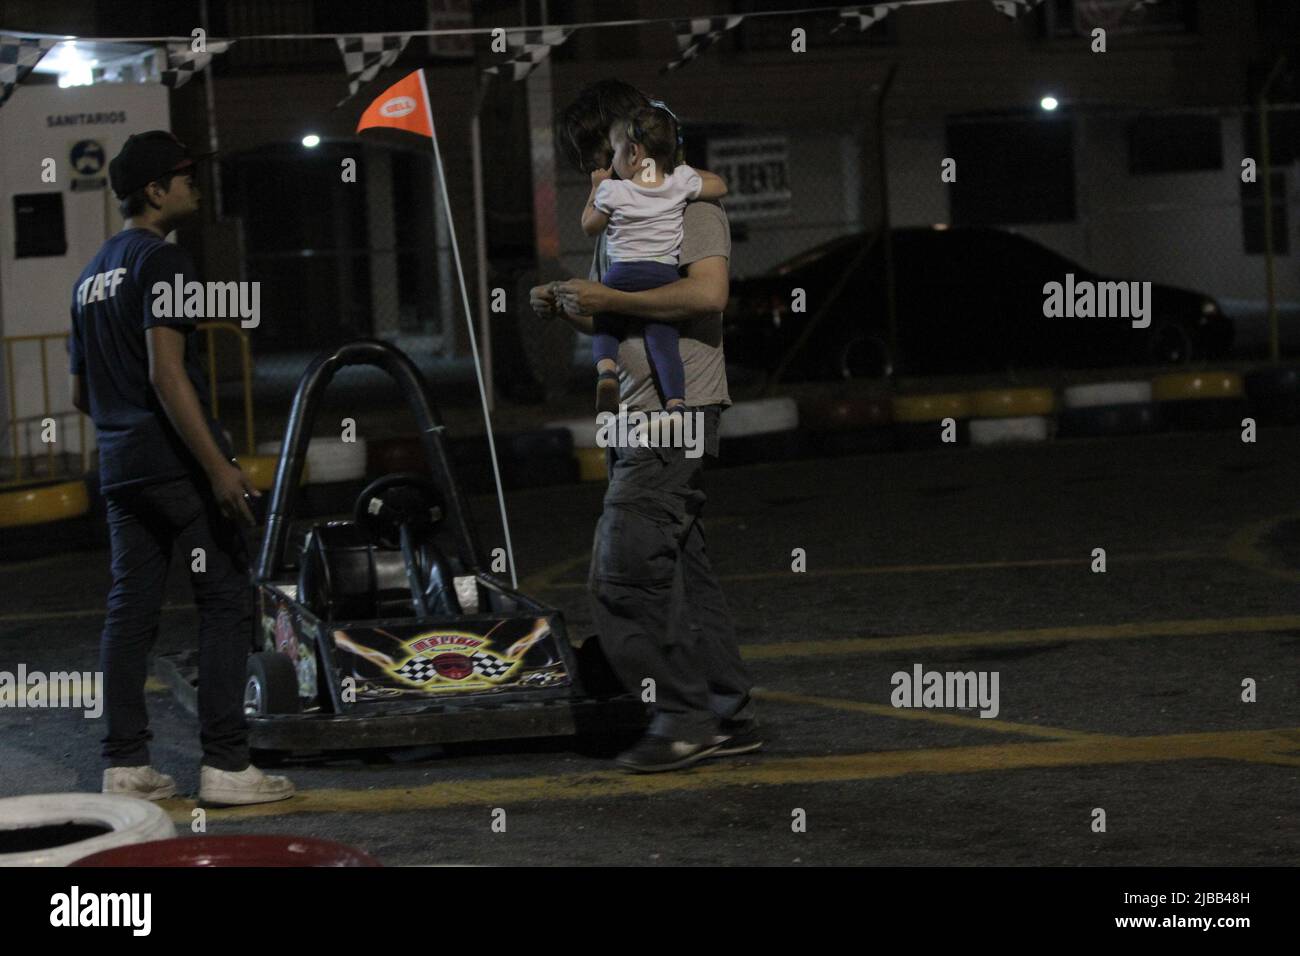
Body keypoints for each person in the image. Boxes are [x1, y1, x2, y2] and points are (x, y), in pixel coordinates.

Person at [531, 81, 760, 773]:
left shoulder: (688, 204)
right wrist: (570, 303)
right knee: (681, 573)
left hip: (676, 412)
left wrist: (602, 293)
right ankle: (722, 710)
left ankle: (682, 717)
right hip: (639, 411)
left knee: (625, 570)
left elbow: (706, 293)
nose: (597, 177)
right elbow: (619, 314)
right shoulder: (628, 215)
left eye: (602, 158)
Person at [69, 130, 293, 805]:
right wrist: (218, 469)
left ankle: (126, 765)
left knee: (129, 610)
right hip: (175, 465)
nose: (195, 182)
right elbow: (169, 376)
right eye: (184, 174)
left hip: (120, 468)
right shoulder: (163, 263)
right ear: (154, 191)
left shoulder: (88, 279)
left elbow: (81, 395)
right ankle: (226, 765)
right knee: (225, 601)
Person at [581, 104, 728, 416]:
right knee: (663, 340)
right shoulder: (681, 182)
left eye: (615, 151)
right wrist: (680, 172)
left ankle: (606, 372)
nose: (611, 160)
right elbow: (720, 185)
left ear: (633, 153)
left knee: (605, 321)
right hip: (661, 273)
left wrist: (595, 190)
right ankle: (676, 402)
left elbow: (589, 226)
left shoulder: (612, 191)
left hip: (622, 274)